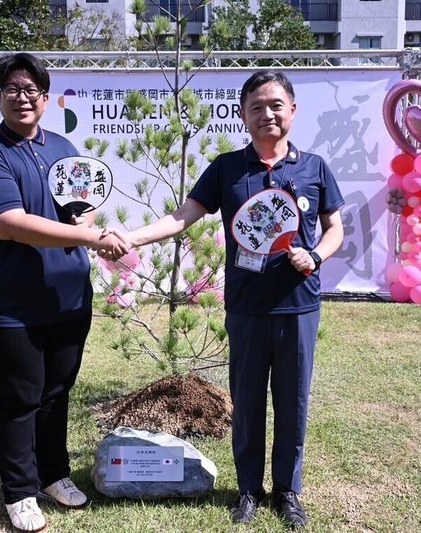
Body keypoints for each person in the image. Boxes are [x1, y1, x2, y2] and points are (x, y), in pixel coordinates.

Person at [111, 70, 344, 529]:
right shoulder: (226, 168)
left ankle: (288, 491)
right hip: (247, 308)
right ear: (242, 115)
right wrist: (132, 237)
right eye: (256, 106)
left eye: (276, 104)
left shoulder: (314, 167)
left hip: (299, 306)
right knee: (248, 402)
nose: (267, 114)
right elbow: (182, 216)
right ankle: (248, 490)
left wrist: (315, 256)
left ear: (292, 110)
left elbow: (336, 228)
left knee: (294, 403)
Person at [0, 53, 127, 533]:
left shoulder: (62, 147)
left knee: (57, 393)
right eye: (12, 89)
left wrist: (87, 222)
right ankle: (18, 491)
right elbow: (7, 223)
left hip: (68, 300)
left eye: (31, 89)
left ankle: (53, 474)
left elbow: (83, 208)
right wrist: (93, 238)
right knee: (18, 399)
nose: (22, 97)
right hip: (7, 308)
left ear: (46, 97)